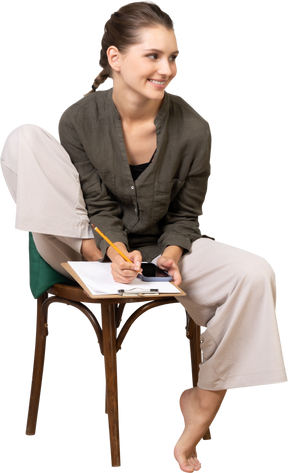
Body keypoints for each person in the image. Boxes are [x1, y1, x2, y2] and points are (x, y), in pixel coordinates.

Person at [0, 2, 286, 472]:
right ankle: (99, 259)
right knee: (25, 135)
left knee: (255, 270)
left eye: (174, 57)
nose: (167, 69)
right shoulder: (75, 118)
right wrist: (105, 250)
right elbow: (92, 202)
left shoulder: (195, 127)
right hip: (77, 243)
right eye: (153, 56)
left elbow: (189, 213)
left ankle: (203, 403)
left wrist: (172, 252)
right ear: (115, 58)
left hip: (154, 251)